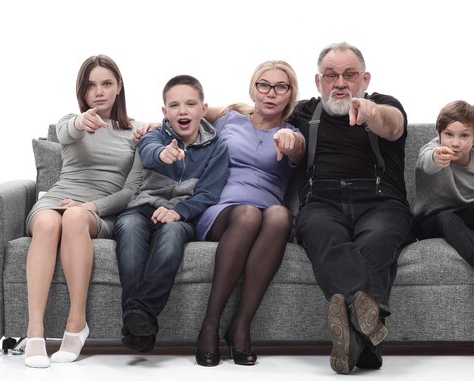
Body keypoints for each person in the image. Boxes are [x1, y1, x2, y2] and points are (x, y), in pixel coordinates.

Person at [288, 42, 413, 374]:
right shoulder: (304, 111)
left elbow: (394, 124)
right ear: (319, 82)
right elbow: (254, 109)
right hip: (322, 202)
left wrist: (372, 113)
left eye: (349, 74)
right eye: (331, 75)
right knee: (320, 233)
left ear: (365, 79)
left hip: (380, 202)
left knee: (376, 240)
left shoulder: (384, 105)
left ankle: (355, 341)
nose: (340, 82)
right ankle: (367, 345)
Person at [23, 55, 143, 368]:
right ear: (83, 92)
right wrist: (80, 122)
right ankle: (34, 331)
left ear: (119, 87)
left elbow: (130, 191)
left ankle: (76, 323)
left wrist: (90, 206)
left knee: (74, 217)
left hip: (95, 212)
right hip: (57, 200)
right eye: (91, 86)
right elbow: (66, 133)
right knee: (49, 224)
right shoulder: (69, 121)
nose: (99, 91)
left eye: (106, 83)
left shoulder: (138, 132)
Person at [194, 60, 305, 367]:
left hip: (266, 212)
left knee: (280, 215)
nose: (271, 93)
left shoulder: (292, 132)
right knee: (248, 215)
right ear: (253, 89)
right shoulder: (230, 117)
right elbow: (188, 108)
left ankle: (241, 326)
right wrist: (148, 127)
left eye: (280, 87)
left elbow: (297, 149)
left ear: (290, 94)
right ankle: (210, 324)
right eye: (264, 85)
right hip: (222, 210)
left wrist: (290, 142)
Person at [114, 74, 229, 353]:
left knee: (172, 237)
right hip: (142, 208)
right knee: (128, 232)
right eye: (175, 105)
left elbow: (208, 194)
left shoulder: (217, 147)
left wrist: (178, 211)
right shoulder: (155, 135)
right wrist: (163, 154)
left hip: (181, 215)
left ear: (203, 109)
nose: (183, 110)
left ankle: (139, 316)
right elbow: (150, 150)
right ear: (165, 112)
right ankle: (140, 321)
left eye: (191, 104)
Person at [413, 100, 474, 284]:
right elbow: (426, 162)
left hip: (467, 213)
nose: (455, 143)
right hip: (431, 221)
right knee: (447, 218)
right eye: (449, 135)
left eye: (464, 136)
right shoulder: (431, 150)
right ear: (439, 134)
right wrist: (436, 158)